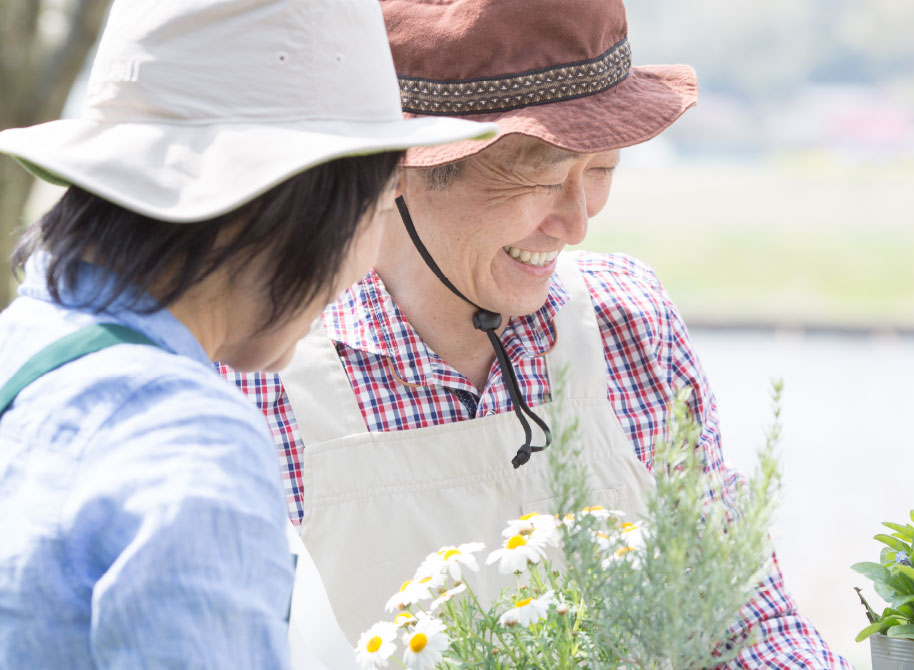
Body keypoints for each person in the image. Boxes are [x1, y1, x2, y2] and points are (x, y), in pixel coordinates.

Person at [221, 0, 852, 667]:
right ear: (400, 166)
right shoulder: (258, 379)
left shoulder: (630, 323)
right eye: (545, 176)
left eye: (602, 170)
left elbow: (747, 626)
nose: (578, 222)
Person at [0, 0, 494, 667]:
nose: (361, 272)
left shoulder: (23, 347)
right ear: (288, 206)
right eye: (377, 210)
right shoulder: (191, 443)